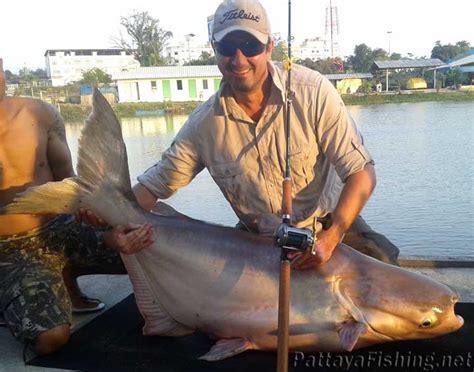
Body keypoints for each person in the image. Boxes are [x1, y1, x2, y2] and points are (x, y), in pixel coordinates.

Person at [80, 0, 399, 267]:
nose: (239, 59)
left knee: (386, 270)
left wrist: (332, 238)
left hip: (330, 225)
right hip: (257, 237)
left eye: (250, 45)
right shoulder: (203, 125)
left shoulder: (313, 91)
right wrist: (108, 216)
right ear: (214, 49)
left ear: (270, 47)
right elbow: (153, 188)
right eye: (228, 46)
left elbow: (361, 173)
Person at [0, 58, 127, 355]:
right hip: (10, 249)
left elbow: (68, 180)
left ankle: (65, 276)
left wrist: (94, 213)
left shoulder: (39, 112)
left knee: (147, 243)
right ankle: (10, 290)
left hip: (57, 228)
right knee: (51, 339)